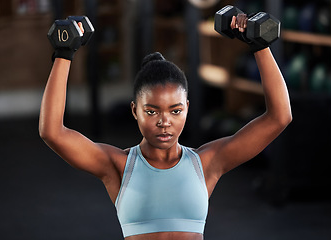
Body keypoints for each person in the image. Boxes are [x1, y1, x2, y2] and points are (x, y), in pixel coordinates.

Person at [39, 14, 292, 240]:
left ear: (187, 109)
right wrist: (64, 55)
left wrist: (260, 47)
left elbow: (279, 117)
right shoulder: (117, 166)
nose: (164, 122)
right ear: (134, 111)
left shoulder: (206, 163)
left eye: (176, 111)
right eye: (151, 111)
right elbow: (52, 132)